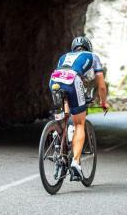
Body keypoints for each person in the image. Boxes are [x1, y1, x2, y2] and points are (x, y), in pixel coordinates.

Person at [49, 36, 109, 181]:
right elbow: (101, 85)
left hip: (54, 79)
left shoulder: (64, 56)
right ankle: (75, 162)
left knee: (64, 115)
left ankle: (59, 145)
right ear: (88, 47)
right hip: (72, 80)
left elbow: (66, 77)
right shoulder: (92, 57)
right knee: (79, 123)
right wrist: (103, 102)